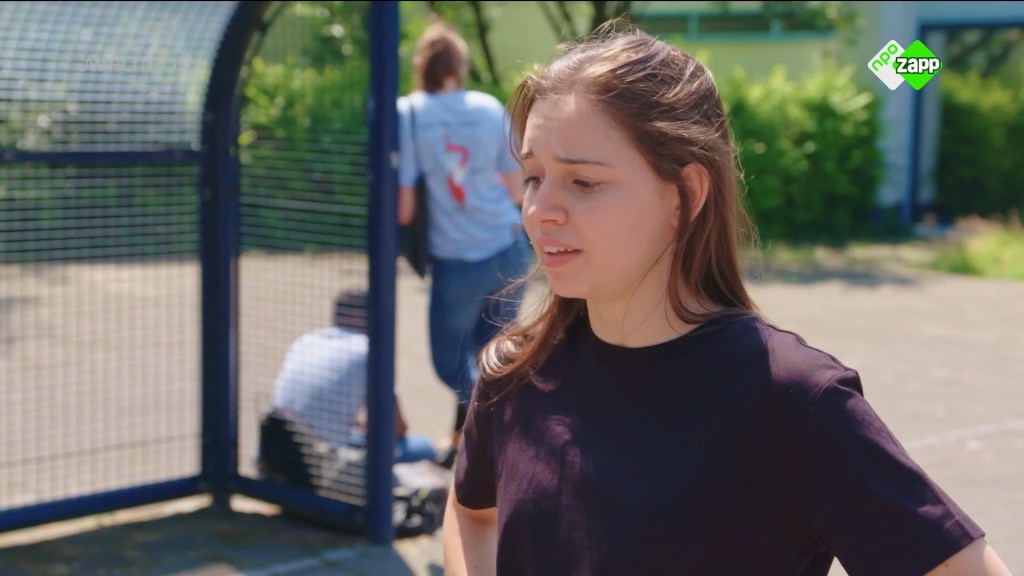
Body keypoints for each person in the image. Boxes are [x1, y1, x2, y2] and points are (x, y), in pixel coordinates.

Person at [443, 23, 1012, 576]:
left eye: (584, 182)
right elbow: (471, 515)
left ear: (686, 195)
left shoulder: (790, 401)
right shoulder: (515, 373)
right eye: (533, 176)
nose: (540, 210)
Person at [396, 19, 534, 460]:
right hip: (509, 249)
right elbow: (517, 191)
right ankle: (482, 449)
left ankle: (492, 434)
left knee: (451, 365)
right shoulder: (488, 107)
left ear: (422, 66)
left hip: (457, 261)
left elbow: (404, 210)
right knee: (496, 357)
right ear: (460, 66)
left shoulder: (408, 114)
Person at [257, 289, 448, 480]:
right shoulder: (369, 350)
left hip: (272, 453)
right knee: (423, 447)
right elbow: (397, 429)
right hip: (317, 465)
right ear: (363, 317)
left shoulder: (307, 339)